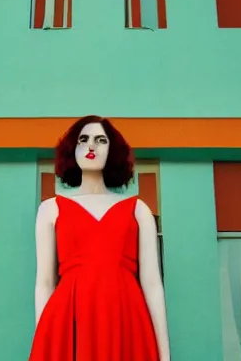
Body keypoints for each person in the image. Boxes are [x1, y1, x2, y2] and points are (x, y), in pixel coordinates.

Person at [28, 115, 170, 361]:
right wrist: (47, 343)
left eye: (100, 140)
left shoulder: (139, 210)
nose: (91, 146)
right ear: (72, 149)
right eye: (83, 139)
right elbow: (45, 283)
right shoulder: (51, 209)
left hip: (126, 318)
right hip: (69, 318)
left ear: (111, 150)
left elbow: (153, 285)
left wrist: (164, 355)